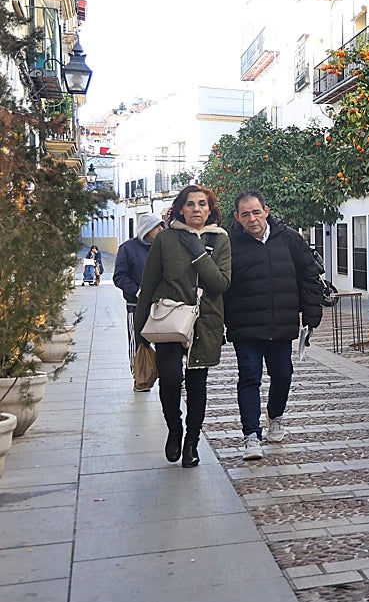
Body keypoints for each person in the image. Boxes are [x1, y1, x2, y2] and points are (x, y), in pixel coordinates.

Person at [135, 185, 231, 468]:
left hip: (205, 321)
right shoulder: (165, 239)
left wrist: (199, 253)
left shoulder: (220, 241)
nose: (197, 209)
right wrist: (139, 331)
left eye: (202, 204)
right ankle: (174, 429)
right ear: (180, 209)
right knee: (171, 380)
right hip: (170, 320)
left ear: (210, 208)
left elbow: (220, 284)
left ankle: (191, 442)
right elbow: (149, 283)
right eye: (190, 204)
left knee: (197, 385)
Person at [224, 190, 322, 461]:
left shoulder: (289, 238)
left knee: (282, 375)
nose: (252, 218)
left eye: (256, 212)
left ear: (266, 210)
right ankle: (251, 435)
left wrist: (311, 317)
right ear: (237, 217)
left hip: (281, 324)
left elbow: (309, 277)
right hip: (246, 327)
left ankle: (275, 416)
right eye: (245, 214)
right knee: (249, 377)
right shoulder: (229, 244)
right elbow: (220, 286)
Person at [113, 214, 165, 389]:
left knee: (167, 341)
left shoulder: (163, 248)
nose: (161, 229)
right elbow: (119, 277)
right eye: (157, 226)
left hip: (162, 306)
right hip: (136, 307)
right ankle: (140, 377)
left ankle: (169, 376)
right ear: (147, 229)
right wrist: (138, 291)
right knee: (138, 342)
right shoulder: (127, 248)